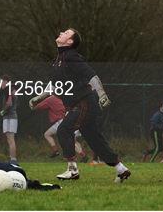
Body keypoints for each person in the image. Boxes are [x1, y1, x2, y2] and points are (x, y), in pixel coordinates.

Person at [29, 28, 130, 182]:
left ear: (69, 41)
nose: (62, 32)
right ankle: (121, 169)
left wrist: (102, 94)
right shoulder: (59, 60)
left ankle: (72, 170)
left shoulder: (71, 56)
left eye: (66, 33)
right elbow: (55, 86)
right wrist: (38, 97)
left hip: (84, 103)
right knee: (95, 140)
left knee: (64, 130)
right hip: (81, 105)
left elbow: (91, 75)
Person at [32, 94, 88, 161]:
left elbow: (38, 107)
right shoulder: (66, 97)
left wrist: (33, 105)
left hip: (61, 121)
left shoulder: (51, 98)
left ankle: (57, 151)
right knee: (73, 140)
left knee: (47, 134)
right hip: (71, 119)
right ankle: (82, 156)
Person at [0, 75, 18, 164]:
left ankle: (13, 160)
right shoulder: (10, 90)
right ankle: (12, 158)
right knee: (9, 139)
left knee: (11, 139)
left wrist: (3, 111)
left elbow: (9, 103)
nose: (1, 84)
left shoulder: (9, 89)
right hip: (8, 117)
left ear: (6, 81)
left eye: (2, 82)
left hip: (10, 117)